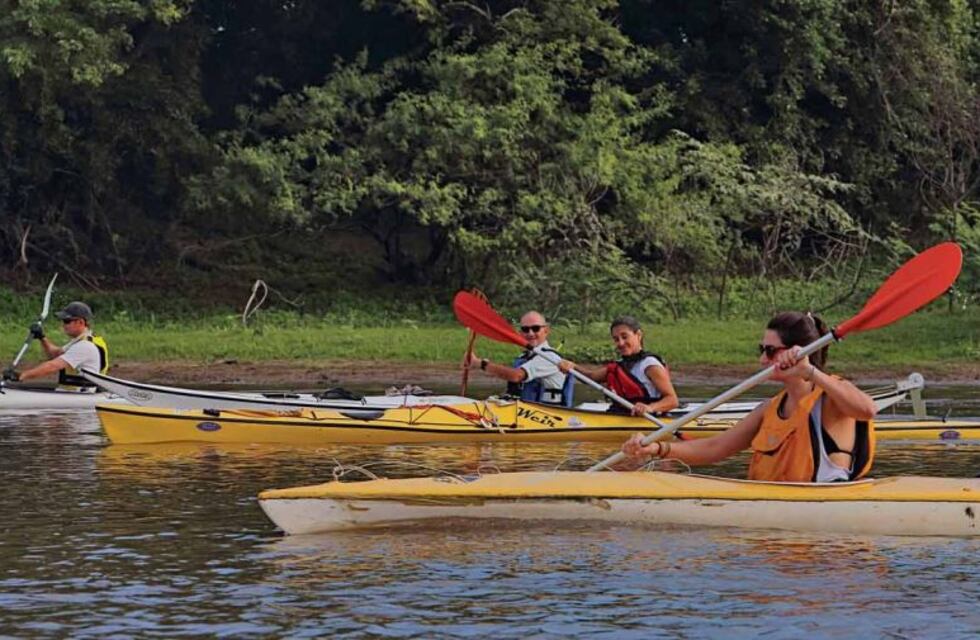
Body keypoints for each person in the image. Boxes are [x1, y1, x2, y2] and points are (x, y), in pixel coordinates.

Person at [620, 311, 878, 483]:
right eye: (761, 349)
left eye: (770, 351)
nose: (763, 359)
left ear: (797, 352)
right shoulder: (769, 409)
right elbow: (714, 447)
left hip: (825, 532)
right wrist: (656, 448)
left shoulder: (830, 397)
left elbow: (867, 410)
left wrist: (810, 371)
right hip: (780, 525)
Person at [559, 316, 679, 416]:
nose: (621, 343)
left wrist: (650, 408)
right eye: (616, 339)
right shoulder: (619, 365)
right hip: (620, 415)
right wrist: (572, 367)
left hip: (647, 419)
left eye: (625, 337)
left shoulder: (650, 365)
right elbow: (591, 377)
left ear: (638, 335)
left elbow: (672, 400)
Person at [464, 310, 572, 406]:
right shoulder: (523, 357)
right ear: (520, 333)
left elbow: (516, 376)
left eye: (536, 328)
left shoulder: (550, 357)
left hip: (546, 416)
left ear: (546, 330)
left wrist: (481, 364)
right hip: (524, 413)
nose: (530, 333)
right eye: (525, 329)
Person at [2, 301, 110, 391]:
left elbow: (53, 366)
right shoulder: (78, 341)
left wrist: (21, 376)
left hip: (78, 397)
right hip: (69, 393)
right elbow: (55, 355)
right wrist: (42, 337)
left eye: (67, 321)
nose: (63, 325)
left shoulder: (85, 346)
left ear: (81, 322)